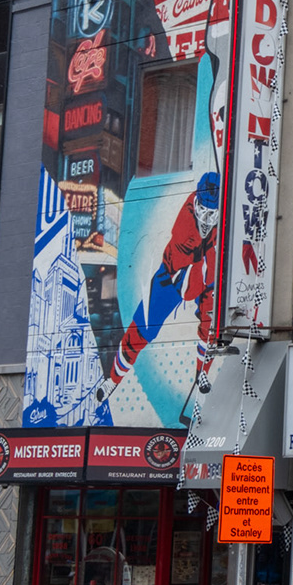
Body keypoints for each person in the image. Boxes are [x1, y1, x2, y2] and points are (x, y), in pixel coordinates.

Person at [95, 171, 222, 417]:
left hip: (206, 272)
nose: (207, 219)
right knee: (144, 327)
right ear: (196, 203)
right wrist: (213, 258)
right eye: (203, 212)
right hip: (175, 276)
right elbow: (187, 290)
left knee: (210, 325)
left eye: (213, 214)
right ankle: (113, 379)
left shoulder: (223, 213)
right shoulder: (184, 229)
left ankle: (202, 371)